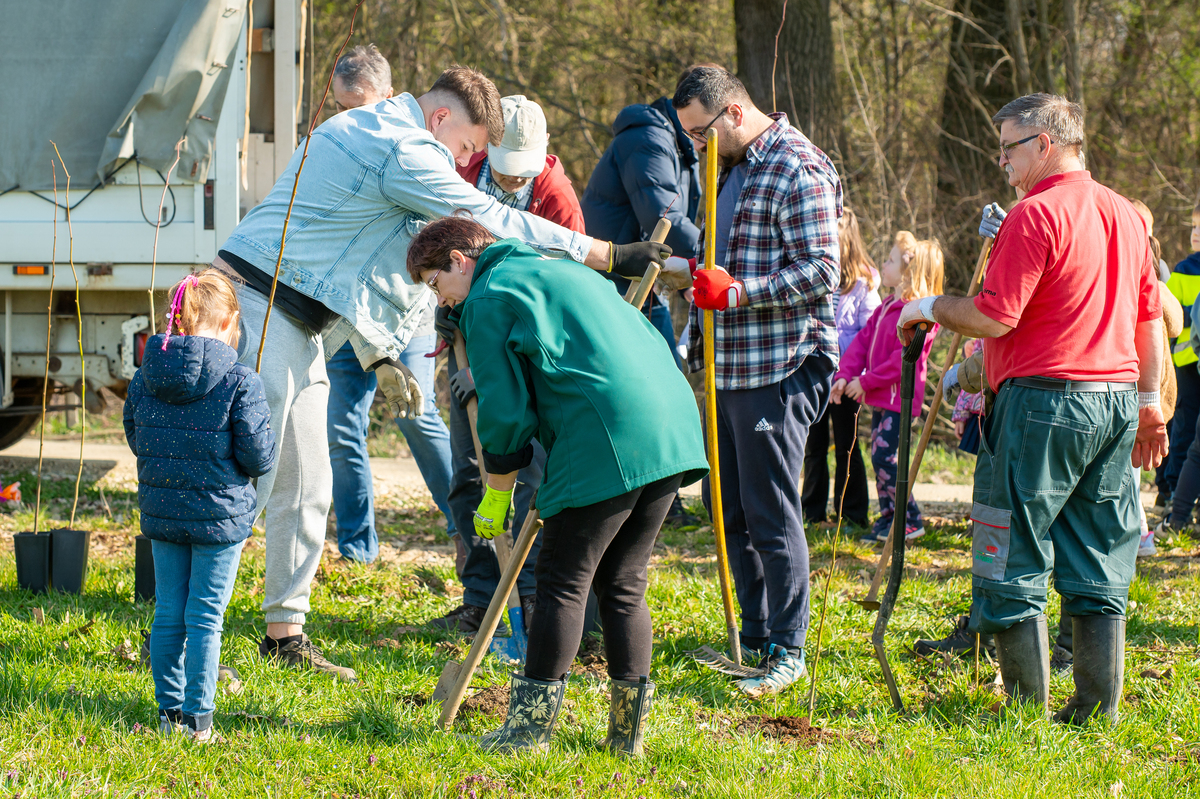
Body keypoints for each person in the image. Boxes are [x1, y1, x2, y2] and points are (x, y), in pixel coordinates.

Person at [212, 65, 676, 680]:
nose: (462, 161)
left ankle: (284, 635)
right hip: (257, 305)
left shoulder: (386, 143)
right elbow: (485, 218)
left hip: (299, 322)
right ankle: (194, 635)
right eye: (465, 146)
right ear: (440, 118)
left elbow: (375, 262)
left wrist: (378, 353)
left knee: (310, 485)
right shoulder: (402, 146)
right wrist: (605, 253)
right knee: (251, 479)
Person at [898, 93, 1168, 724]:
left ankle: (1024, 714)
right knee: (1099, 554)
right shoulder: (1127, 214)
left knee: (1009, 546)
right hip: (1115, 405)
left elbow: (995, 316)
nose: (1001, 161)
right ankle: (1095, 710)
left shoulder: (1034, 213)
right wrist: (1150, 403)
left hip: (1041, 406)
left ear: (1045, 144)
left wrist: (928, 306)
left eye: (1008, 147)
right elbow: (1148, 321)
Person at [407, 216, 708, 755]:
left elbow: (506, 414)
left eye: (435, 283)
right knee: (623, 579)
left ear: (458, 260)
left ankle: (527, 732)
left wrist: (497, 492)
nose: (441, 300)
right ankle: (627, 738)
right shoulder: (558, 266)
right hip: (671, 423)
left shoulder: (489, 297)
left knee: (562, 580)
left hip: (605, 433)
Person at [674, 66, 842, 696]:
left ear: (735, 113)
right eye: (690, 137)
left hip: (780, 363)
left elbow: (823, 269)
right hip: (729, 364)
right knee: (732, 509)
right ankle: (756, 633)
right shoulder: (728, 166)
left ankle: (789, 648)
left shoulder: (799, 166)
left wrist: (740, 293)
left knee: (771, 508)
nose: (697, 145)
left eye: (701, 133)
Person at [426, 94, 588, 633]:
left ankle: (532, 594)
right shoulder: (460, 172)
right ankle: (480, 597)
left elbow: (567, 285)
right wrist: (449, 312)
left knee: (525, 472)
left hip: (530, 354)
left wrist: (500, 354)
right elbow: (440, 253)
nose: (513, 180)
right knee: (469, 470)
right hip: (468, 340)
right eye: (503, 168)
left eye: (523, 171)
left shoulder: (556, 197)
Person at [124, 271, 276, 742]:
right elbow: (258, 457)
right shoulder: (240, 380)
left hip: (164, 512)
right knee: (205, 617)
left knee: (168, 610)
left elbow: (136, 438)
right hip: (219, 517)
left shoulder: (144, 376)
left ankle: (169, 713)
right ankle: (199, 720)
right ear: (230, 321)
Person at [323, 44, 456, 565]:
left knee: (416, 417)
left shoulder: (413, 151)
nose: (349, 118)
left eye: (360, 106)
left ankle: (469, 531)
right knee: (341, 431)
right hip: (344, 315)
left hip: (406, 314)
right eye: (340, 107)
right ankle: (357, 548)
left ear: (389, 96)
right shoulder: (330, 148)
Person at [580, 64, 711, 525]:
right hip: (617, 285)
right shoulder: (649, 139)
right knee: (655, 386)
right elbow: (664, 216)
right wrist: (715, 259)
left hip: (642, 282)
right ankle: (648, 499)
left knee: (663, 382)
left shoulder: (677, 145)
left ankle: (660, 499)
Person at [831, 233, 941, 543]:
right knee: (880, 457)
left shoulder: (917, 315)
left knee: (886, 458)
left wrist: (864, 381)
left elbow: (901, 361)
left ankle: (909, 519)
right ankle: (889, 517)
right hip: (882, 398)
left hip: (900, 399)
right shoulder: (886, 306)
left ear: (908, 271)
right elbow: (861, 342)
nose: (883, 264)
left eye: (890, 260)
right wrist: (845, 374)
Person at [802, 209, 880, 529]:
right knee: (814, 445)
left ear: (847, 241)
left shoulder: (864, 282)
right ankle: (812, 512)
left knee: (847, 446)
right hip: (813, 375)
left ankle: (852, 514)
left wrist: (858, 376)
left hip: (847, 380)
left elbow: (870, 333)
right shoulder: (816, 274)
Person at [1159, 205, 1200, 507]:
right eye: (1194, 227)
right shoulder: (1183, 270)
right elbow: (1168, 313)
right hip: (1186, 364)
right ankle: (1172, 491)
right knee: (1184, 429)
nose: (1195, 233)